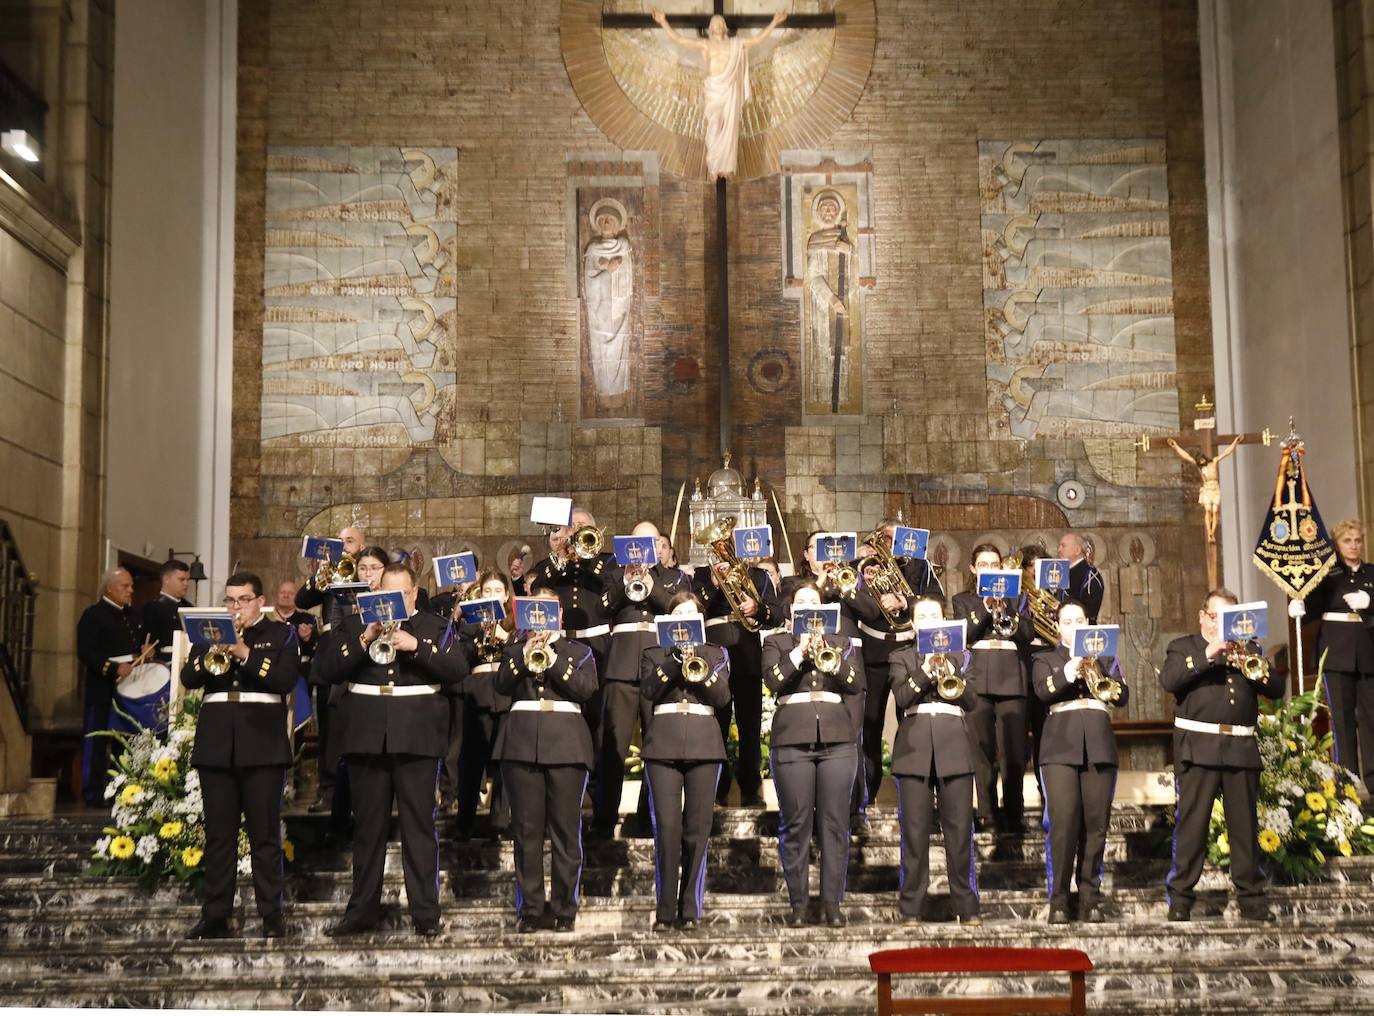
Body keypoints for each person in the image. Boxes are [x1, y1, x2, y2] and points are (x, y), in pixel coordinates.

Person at [315, 562, 466, 937]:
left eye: (401, 595)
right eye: (387, 595)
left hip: (417, 740)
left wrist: (416, 646)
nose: (394, 602)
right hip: (367, 738)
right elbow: (327, 669)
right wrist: (365, 638)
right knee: (368, 830)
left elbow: (458, 668)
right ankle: (361, 912)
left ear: (414, 593)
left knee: (419, 829)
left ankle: (426, 915)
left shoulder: (435, 626)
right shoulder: (354, 624)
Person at [181, 572, 299, 939]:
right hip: (217, 744)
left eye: (243, 600)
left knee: (264, 836)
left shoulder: (280, 634)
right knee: (218, 836)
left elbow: (283, 680)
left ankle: (271, 916)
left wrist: (243, 653)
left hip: (262, 744)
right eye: (230, 600)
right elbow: (190, 676)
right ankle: (215, 914)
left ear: (260, 601)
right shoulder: (210, 633)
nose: (236, 607)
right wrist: (216, 649)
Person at [1161, 588, 1285, 922]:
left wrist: (1247, 661)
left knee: (1245, 828)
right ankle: (1182, 897)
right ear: (1203, 616)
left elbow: (1277, 688)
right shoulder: (1183, 647)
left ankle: (1251, 897)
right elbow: (1170, 679)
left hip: (1240, 749)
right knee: (1192, 827)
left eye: (1230, 619)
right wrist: (1210, 652)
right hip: (1198, 748)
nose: (1222, 625)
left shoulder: (1249, 649)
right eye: (1217, 617)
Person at [493, 589, 600, 932]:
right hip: (522, 744)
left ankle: (565, 908)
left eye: (546, 610)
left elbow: (586, 690)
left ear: (559, 616)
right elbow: (501, 684)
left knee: (566, 832)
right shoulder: (514, 650)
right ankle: (532, 908)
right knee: (526, 832)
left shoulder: (578, 651)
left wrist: (552, 660)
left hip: (567, 745)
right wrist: (525, 653)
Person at [763, 581, 862, 926]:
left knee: (835, 824)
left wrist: (832, 661)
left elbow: (855, 683)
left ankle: (832, 903)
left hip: (838, 739)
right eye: (801, 603)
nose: (808, 607)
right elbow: (773, 681)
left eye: (814, 602)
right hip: (792, 738)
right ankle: (799, 904)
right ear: (791, 612)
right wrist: (799, 652)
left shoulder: (842, 642)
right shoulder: (776, 642)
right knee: (796, 823)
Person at [639, 592, 732, 930]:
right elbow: (649, 691)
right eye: (680, 614)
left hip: (704, 743)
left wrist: (698, 664)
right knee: (666, 829)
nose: (686, 620)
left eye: (692, 614)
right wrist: (675, 660)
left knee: (697, 830)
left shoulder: (717, 653)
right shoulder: (653, 654)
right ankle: (665, 911)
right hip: (662, 743)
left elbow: (721, 697)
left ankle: (690, 909)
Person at [1033, 600, 1127, 924]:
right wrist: (1070, 669)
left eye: (1080, 619)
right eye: (1067, 621)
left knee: (1096, 826)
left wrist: (1098, 671)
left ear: (1088, 623)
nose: (1073, 625)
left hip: (1099, 746)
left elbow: (1121, 695)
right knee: (1063, 825)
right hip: (1059, 748)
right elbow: (1043, 693)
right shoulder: (1045, 658)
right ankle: (1059, 898)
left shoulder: (1106, 656)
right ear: (1058, 627)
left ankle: (1090, 898)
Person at [595, 522, 691, 838]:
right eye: (637, 542)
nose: (643, 548)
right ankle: (603, 821)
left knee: (656, 746)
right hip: (620, 668)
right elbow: (601, 609)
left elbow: (677, 614)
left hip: (659, 668)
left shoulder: (675, 579)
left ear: (661, 546)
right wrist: (626, 582)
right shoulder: (613, 574)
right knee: (612, 747)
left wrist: (652, 584)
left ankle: (649, 820)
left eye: (650, 542)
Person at [888, 595, 980, 925]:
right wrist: (927, 668)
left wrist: (949, 665)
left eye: (935, 615)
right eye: (922, 616)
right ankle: (912, 907)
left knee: (959, 832)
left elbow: (971, 700)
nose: (928, 620)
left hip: (954, 744)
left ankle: (967, 907)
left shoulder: (963, 654)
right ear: (913, 624)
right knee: (914, 834)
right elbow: (902, 696)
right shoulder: (901, 657)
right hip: (913, 748)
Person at [847, 518, 944, 828]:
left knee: (913, 724)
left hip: (910, 651)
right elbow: (852, 599)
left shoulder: (921, 567)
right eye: (885, 540)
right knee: (869, 727)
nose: (891, 546)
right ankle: (864, 801)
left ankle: (921, 798)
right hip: (874, 652)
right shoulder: (864, 564)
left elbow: (939, 603)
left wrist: (905, 600)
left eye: (896, 539)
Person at [649, 6, 789, 180]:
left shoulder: (736, 44)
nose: (717, 25)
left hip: (730, 89)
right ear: (710, 28)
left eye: (720, 23)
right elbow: (680, 40)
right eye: (714, 23)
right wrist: (663, 22)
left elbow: (757, 40)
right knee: (714, 125)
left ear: (725, 27)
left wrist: (774, 22)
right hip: (714, 90)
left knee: (730, 128)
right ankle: (715, 164)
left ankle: (726, 167)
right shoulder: (705, 44)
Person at [693, 532, 779, 807]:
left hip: (747, 656)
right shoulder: (702, 575)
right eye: (722, 547)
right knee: (714, 726)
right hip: (714, 657)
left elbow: (776, 615)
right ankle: (717, 791)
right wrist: (717, 583)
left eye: (729, 546)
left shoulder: (759, 576)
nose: (725, 551)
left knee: (749, 727)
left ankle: (750, 791)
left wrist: (758, 608)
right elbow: (694, 608)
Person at [953, 543, 1032, 833]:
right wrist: (987, 607)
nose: (989, 569)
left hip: (1011, 678)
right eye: (983, 564)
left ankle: (1014, 813)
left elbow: (1026, 634)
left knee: (1013, 752)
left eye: (994, 564)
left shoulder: (1018, 598)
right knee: (982, 750)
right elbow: (965, 635)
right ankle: (987, 812)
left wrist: (1007, 605)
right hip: (978, 678)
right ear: (974, 569)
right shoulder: (963, 600)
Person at [296, 526, 371, 813]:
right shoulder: (330, 573)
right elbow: (303, 600)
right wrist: (322, 574)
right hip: (332, 648)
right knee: (329, 726)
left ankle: (360, 791)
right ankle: (328, 788)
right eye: (339, 542)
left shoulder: (369, 569)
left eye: (349, 541)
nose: (343, 546)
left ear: (362, 546)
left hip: (364, 647)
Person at [1307, 518, 1374, 793]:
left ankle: (1373, 782)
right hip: (1336, 654)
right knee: (1342, 721)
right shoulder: (1327, 574)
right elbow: (1311, 605)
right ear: (1337, 543)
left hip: (1368, 652)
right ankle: (1348, 783)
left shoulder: (1371, 573)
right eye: (1348, 540)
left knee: (1371, 719)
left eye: (1358, 540)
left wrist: (1370, 602)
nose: (1354, 545)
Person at [453, 568, 516, 839]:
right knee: (470, 762)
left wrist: (503, 635)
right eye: (487, 591)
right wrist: (480, 633)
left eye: (497, 591)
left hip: (505, 694)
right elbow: (459, 659)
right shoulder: (470, 624)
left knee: (505, 760)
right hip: (477, 693)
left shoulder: (514, 624)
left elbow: (520, 655)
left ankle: (500, 822)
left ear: (505, 596)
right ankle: (464, 821)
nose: (492, 596)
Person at [75, 568, 144, 805]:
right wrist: (113, 668)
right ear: (110, 588)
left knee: (126, 741)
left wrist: (145, 651)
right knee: (97, 741)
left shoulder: (133, 615)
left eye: (131, 586)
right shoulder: (93, 615)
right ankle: (92, 793)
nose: (130, 590)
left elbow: (137, 644)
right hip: (102, 688)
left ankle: (123, 792)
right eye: (125, 586)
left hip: (130, 690)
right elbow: (85, 652)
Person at [141, 559, 192, 663]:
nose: (186, 584)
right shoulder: (152, 608)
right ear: (166, 579)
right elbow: (148, 644)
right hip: (163, 664)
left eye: (188, 580)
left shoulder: (189, 608)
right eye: (181, 579)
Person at [1057, 532, 1103, 623]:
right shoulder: (1061, 571)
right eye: (1059, 546)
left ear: (1077, 550)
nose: (1058, 550)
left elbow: (1089, 612)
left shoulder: (1090, 575)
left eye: (1063, 546)